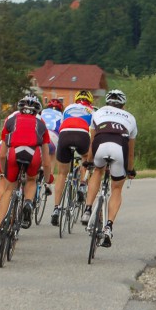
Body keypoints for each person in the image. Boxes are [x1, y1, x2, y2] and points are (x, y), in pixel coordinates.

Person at [0, 94, 52, 247]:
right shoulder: (41, 124)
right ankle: (29, 203)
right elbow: (46, 159)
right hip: (33, 153)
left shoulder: (10, 121)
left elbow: (3, 153)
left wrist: (3, 172)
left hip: (14, 152)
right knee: (31, 180)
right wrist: (48, 178)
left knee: (8, 189)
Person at [81, 89, 137, 248]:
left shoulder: (97, 113)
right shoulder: (131, 118)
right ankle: (108, 227)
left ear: (107, 103)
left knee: (97, 171)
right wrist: (130, 170)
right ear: (123, 106)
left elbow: (92, 142)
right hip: (120, 147)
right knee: (117, 188)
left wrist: (89, 162)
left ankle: (87, 209)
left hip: (100, 144)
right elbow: (131, 152)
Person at [51, 90, 95, 226]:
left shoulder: (68, 108)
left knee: (62, 174)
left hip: (65, 135)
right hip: (82, 135)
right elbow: (93, 133)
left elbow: (61, 126)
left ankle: (56, 209)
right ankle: (82, 185)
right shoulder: (92, 111)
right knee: (85, 158)